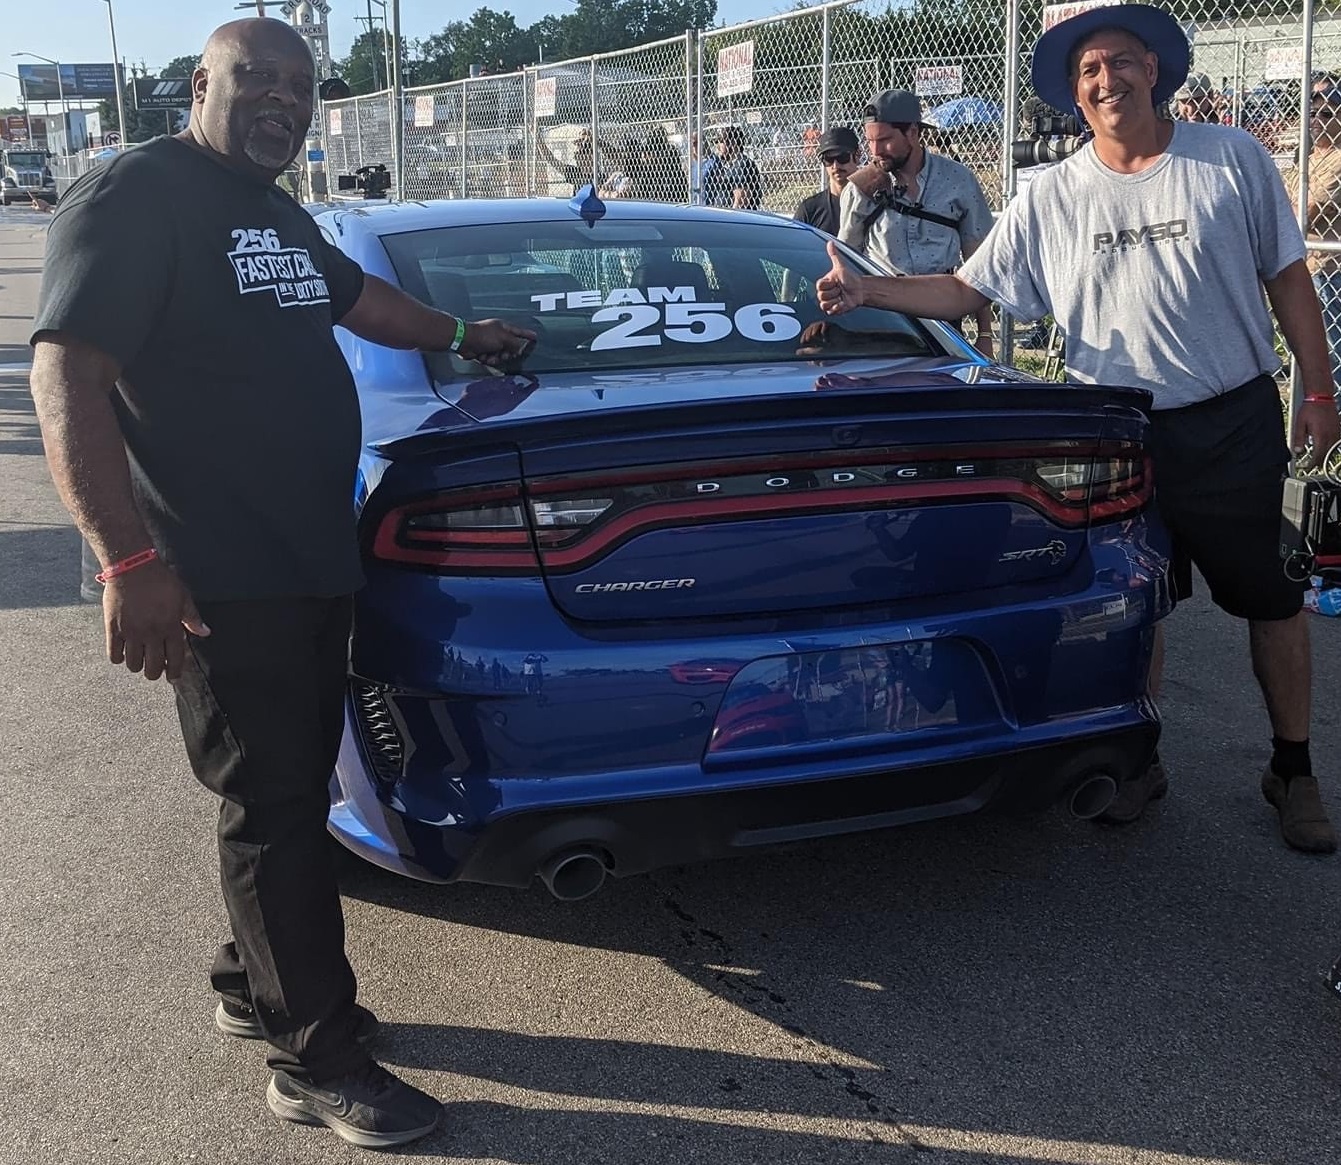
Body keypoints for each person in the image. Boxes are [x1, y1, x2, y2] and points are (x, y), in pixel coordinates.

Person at [26, 18, 532, 1149]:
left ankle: (249, 977)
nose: (281, 102)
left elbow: (364, 303)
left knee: (291, 790)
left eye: (299, 88)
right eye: (256, 79)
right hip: (215, 573)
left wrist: (468, 332)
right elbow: (67, 371)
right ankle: (317, 1058)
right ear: (198, 84)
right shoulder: (137, 195)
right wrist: (129, 560)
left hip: (309, 557)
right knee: (274, 808)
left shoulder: (276, 214)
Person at [816, 4, 1341, 853]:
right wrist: (868, 293)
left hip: (1233, 421)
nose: (1106, 81)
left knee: (1273, 604)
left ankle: (1293, 767)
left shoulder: (1229, 159)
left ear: (1155, 69)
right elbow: (965, 292)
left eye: (1120, 62)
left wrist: (1319, 392)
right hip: (1111, 434)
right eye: (1088, 71)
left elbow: (1288, 279)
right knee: (1132, 605)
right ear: (1073, 91)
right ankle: (1139, 760)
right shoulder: (1050, 195)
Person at [837, 89, 997, 359]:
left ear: (913, 132)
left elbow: (978, 264)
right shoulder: (860, 190)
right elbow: (846, 259)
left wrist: (984, 335)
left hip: (943, 315)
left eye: (885, 140)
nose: (876, 151)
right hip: (885, 319)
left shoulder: (958, 181)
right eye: (870, 141)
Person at [1286, 84, 1341, 391]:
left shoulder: (1338, 159)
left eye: (1327, 113)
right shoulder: (1307, 158)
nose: (1317, 119)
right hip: (1306, 265)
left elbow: (1305, 215)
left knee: (1333, 350)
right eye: (1312, 113)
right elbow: (1281, 207)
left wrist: (1291, 207)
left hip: (1332, 271)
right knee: (1308, 348)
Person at [792, 125, 861, 236]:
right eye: (828, 159)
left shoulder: (870, 206)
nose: (835, 165)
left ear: (857, 156)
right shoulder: (810, 209)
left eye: (842, 157)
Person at [702, 125, 762, 210]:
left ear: (733, 143)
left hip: (735, 219)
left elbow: (741, 200)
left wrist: (727, 219)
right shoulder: (728, 165)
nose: (718, 147)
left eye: (721, 142)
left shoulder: (743, 164)